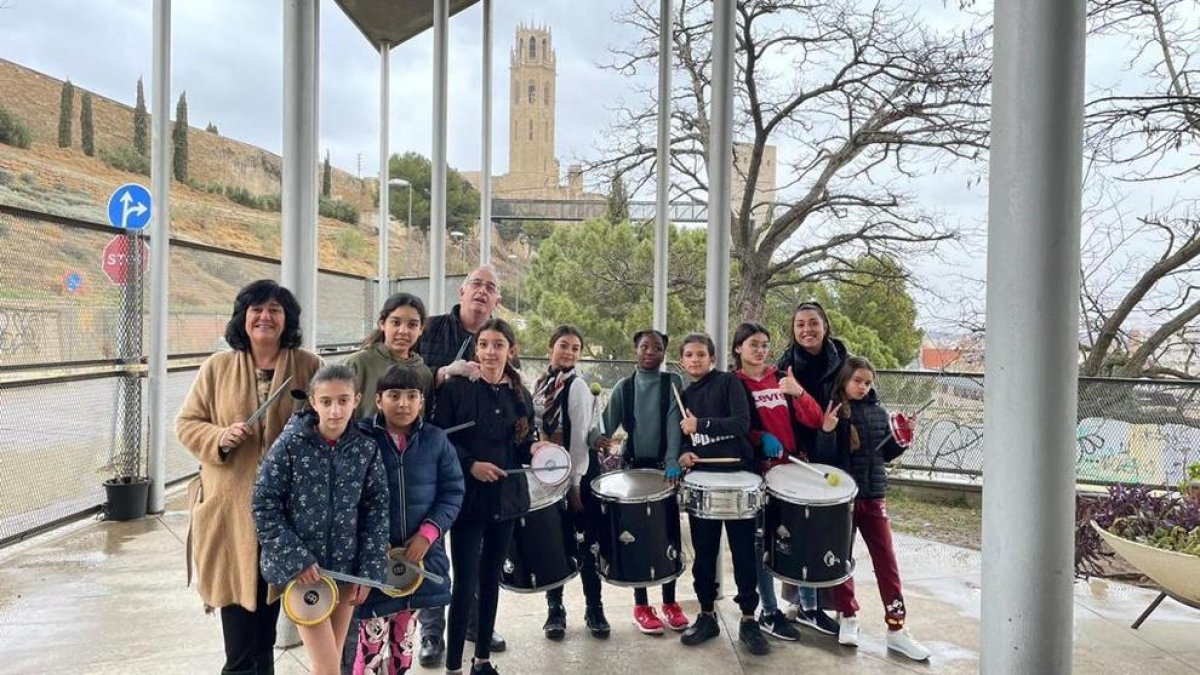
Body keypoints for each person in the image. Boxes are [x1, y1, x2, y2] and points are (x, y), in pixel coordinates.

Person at [176, 279, 322, 675]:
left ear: (287, 318)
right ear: (243, 317)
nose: (265, 316)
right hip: (230, 515)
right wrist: (219, 437)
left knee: (266, 635)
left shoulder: (308, 366)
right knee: (239, 636)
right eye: (256, 309)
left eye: (275, 309)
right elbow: (187, 423)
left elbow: (331, 422)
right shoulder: (217, 367)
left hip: (283, 520)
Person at [251, 364, 391, 675]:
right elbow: (264, 504)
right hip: (304, 575)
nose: (335, 410)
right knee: (327, 667)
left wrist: (369, 572)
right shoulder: (290, 445)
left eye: (343, 400)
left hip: (345, 571)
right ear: (313, 402)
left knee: (331, 662)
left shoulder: (365, 448)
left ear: (356, 400)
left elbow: (377, 509)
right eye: (326, 401)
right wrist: (297, 559)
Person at [436, 318, 546, 675]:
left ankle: (481, 659)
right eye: (483, 344)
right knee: (465, 582)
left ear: (509, 350)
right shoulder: (455, 390)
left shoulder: (520, 393)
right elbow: (440, 440)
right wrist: (471, 465)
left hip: (508, 500)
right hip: (469, 500)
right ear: (475, 349)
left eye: (497, 344)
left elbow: (524, 445)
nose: (489, 351)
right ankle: (453, 665)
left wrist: (540, 451)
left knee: (491, 579)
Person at [413, 267, 506, 666]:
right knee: (431, 544)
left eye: (491, 288)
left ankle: (470, 622)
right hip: (422, 452)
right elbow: (402, 373)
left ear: (497, 300)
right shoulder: (430, 329)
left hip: (473, 462)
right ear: (462, 291)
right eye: (477, 285)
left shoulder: (496, 336)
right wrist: (442, 374)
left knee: (476, 552)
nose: (483, 293)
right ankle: (432, 631)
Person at [811, 356, 931, 662]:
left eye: (868, 382)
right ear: (844, 381)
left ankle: (897, 628)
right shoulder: (835, 410)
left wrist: (904, 437)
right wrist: (826, 430)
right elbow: (824, 461)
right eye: (857, 381)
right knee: (841, 561)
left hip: (874, 498)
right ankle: (847, 616)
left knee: (887, 562)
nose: (863, 387)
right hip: (843, 501)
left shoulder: (880, 412)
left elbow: (885, 455)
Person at [353, 365, 465, 675]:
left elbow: (453, 491)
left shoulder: (436, 440)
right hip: (374, 565)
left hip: (417, 564)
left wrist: (428, 534)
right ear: (378, 400)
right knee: (370, 649)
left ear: (421, 402)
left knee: (404, 646)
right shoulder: (360, 438)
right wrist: (370, 546)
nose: (403, 404)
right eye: (394, 395)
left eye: (411, 396)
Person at [730, 323, 830, 641]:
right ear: (738, 349)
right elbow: (736, 427)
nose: (760, 350)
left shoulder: (781, 378)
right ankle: (769, 611)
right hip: (760, 474)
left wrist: (797, 392)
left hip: (794, 471)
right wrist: (760, 437)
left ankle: (808, 607)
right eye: (753, 344)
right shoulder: (734, 384)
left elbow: (814, 419)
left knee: (802, 538)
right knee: (761, 543)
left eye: (764, 345)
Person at [675, 332, 772, 656]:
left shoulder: (729, 383)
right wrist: (685, 454)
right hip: (704, 479)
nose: (695, 360)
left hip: (738, 477)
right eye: (689, 355)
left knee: (743, 552)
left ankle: (748, 618)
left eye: (701, 354)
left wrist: (700, 424)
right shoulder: (685, 393)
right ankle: (706, 615)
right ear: (682, 361)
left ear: (712, 359)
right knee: (703, 554)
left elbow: (741, 423)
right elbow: (689, 441)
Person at [594, 329, 691, 635]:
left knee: (667, 535)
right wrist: (597, 437)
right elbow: (608, 424)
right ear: (635, 350)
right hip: (634, 468)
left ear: (665, 352)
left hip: (665, 471)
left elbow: (676, 427)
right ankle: (641, 606)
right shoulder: (625, 387)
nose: (651, 351)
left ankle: (671, 602)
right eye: (644, 346)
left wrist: (674, 460)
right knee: (637, 535)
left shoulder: (672, 382)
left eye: (658, 347)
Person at [773, 300, 850, 630]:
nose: (807, 329)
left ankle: (826, 604)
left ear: (825, 326)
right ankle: (799, 602)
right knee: (796, 529)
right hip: (798, 453)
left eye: (813, 322)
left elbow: (844, 407)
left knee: (828, 534)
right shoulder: (785, 363)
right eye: (800, 323)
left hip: (833, 448)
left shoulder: (842, 361)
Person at [533, 326, 610, 640]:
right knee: (554, 543)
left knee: (586, 544)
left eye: (576, 348)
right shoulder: (539, 384)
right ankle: (555, 610)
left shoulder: (577, 386)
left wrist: (576, 482)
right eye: (563, 345)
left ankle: (595, 608)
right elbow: (536, 422)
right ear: (551, 347)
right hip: (548, 472)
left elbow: (579, 438)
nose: (569, 352)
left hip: (578, 472)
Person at [346, 293, 434, 418]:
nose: (403, 331)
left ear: (421, 329)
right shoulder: (358, 363)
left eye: (412, 325)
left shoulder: (424, 372)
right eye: (396, 323)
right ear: (382, 324)